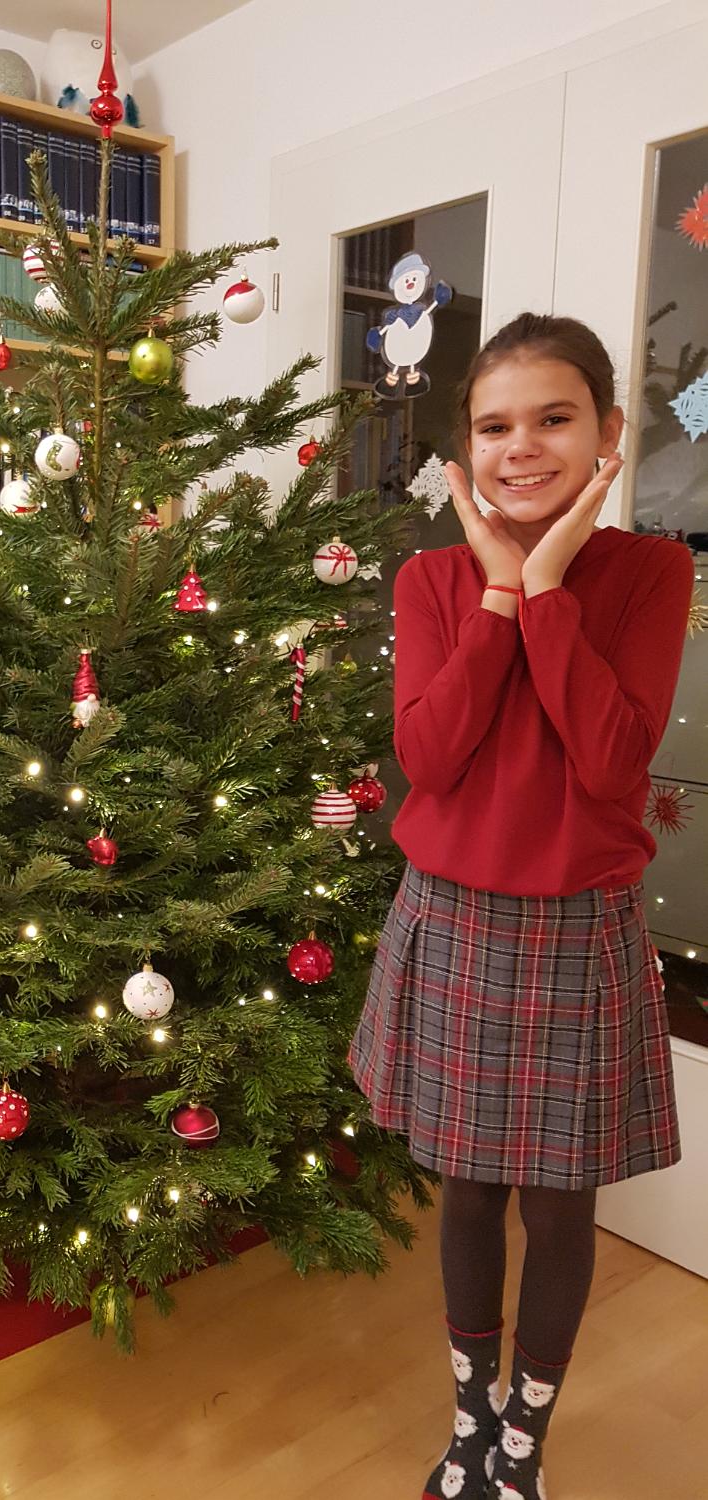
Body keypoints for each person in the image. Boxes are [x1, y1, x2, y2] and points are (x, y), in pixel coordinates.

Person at [348, 312, 694, 1500]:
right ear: (466, 449)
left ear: (607, 432)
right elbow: (430, 758)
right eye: (494, 427)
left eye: (554, 418)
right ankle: (468, 1427)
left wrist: (545, 588)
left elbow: (611, 761)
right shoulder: (433, 578)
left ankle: (523, 1447)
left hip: (577, 929)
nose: (522, 447)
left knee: (556, 1206)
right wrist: (498, 594)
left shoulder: (651, 572)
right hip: (449, 919)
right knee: (469, 1191)